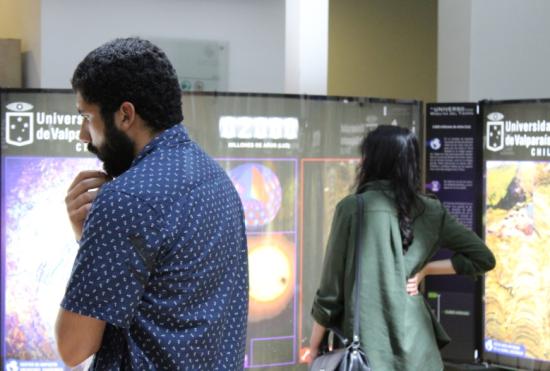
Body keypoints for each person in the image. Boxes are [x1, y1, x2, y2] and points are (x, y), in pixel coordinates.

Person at [55, 38, 249, 370]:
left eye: (87, 117)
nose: (83, 135)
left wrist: (89, 237)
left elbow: (73, 347)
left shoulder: (125, 200)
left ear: (125, 115)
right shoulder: (216, 179)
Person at [306, 125, 496, 370]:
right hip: (419, 352)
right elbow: (483, 258)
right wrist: (426, 270)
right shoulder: (430, 210)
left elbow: (330, 294)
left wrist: (313, 348)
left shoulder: (352, 209)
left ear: (371, 161)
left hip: (368, 354)